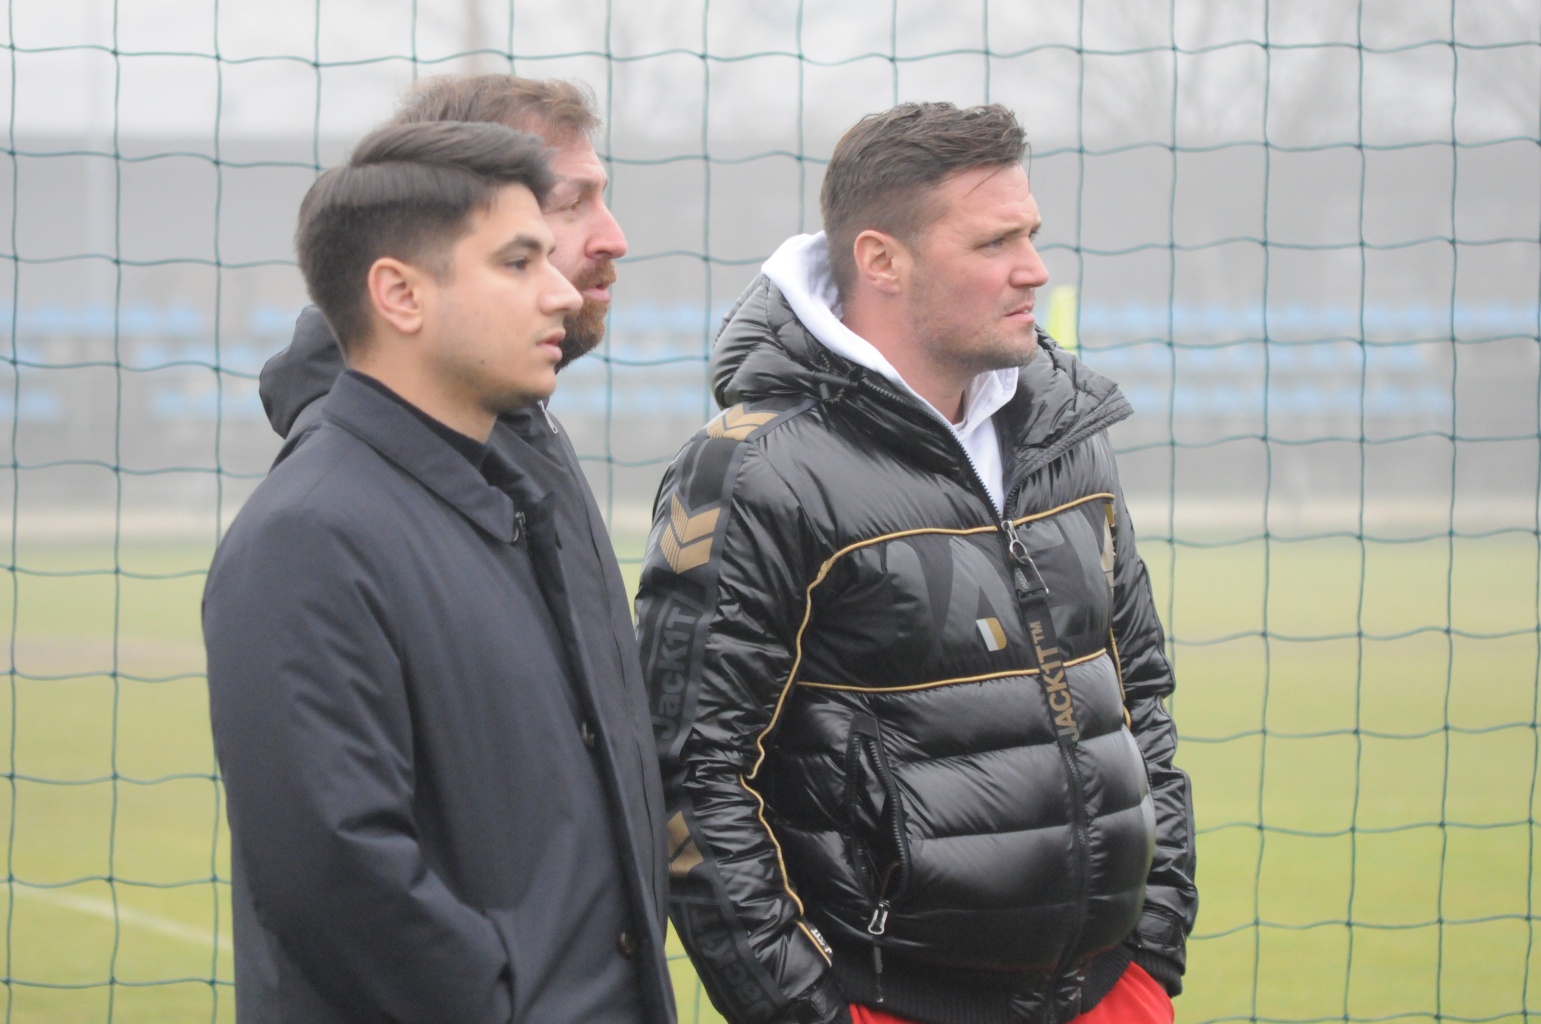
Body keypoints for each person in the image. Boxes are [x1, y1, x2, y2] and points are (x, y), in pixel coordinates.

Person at [635, 102, 1197, 1024]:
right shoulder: (756, 468)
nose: (1033, 268)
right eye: (993, 242)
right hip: (888, 1003)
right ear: (881, 260)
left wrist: (1152, 943)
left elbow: (1140, 696)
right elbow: (692, 773)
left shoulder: (1067, 434)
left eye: (1031, 234)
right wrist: (805, 1012)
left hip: (1108, 992)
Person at [205, 120, 674, 1023]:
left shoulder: (510, 504)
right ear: (399, 295)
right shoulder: (307, 535)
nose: (558, 290)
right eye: (517, 262)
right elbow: (335, 880)